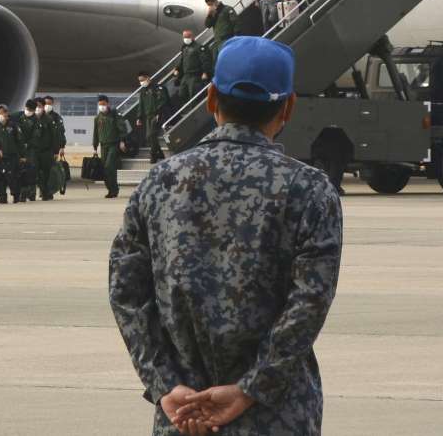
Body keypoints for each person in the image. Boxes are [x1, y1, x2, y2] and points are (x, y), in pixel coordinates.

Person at [110, 37, 343, 435]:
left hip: (184, 414)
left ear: (211, 98)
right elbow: (309, 304)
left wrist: (165, 385)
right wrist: (250, 389)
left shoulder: (159, 181)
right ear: (287, 106)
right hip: (276, 415)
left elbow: (127, 293)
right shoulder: (310, 190)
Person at [92, 95, 123, 198]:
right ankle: (110, 190)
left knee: (109, 166)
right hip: (103, 146)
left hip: (113, 145)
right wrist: (95, 147)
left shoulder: (114, 114)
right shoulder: (97, 118)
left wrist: (122, 141)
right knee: (105, 169)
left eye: (103, 104)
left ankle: (114, 189)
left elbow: (121, 128)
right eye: (100, 105)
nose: (102, 106)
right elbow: (95, 133)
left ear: (108, 104)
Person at [0, 103, 24, 204]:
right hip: (0, 156)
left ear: (6, 113)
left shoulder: (13, 125)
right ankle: (2, 197)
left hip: (12, 155)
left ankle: (16, 195)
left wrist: (22, 156)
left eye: (1, 113)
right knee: (0, 177)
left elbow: (20, 141)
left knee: (12, 177)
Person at [136, 70, 168, 164]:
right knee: (148, 136)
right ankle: (160, 153)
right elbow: (141, 105)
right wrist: (139, 117)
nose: (141, 82)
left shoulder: (157, 88)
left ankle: (153, 155)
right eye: (139, 80)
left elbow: (163, 100)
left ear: (148, 78)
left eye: (142, 79)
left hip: (157, 115)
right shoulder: (143, 90)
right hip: (148, 116)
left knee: (151, 135)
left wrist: (158, 112)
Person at [17, 99, 46, 202]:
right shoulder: (20, 117)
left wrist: (27, 144)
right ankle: (22, 193)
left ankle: (31, 193)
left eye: (30, 109)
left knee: (31, 171)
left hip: (31, 149)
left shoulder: (37, 121)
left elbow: (36, 136)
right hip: (20, 149)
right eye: (27, 108)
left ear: (34, 110)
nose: (27, 111)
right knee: (21, 171)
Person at [28, 97, 56, 201]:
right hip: (33, 151)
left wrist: (55, 150)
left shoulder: (49, 119)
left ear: (43, 107)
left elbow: (54, 136)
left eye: (39, 106)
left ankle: (45, 193)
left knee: (45, 173)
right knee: (32, 172)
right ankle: (31, 193)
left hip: (46, 151)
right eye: (35, 106)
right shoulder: (29, 119)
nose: (37, 108)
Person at [173, 29, 212, 103]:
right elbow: (182, 60)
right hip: (186, 75)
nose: (186, 38)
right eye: (184, 37)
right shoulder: (184, 47)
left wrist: (205, 72)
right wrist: (177, 69)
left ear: (192, 37)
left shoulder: (199, 47)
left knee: (194, 94)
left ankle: (192, 110)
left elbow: (205, 61)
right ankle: (186, 110)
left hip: (195, 75)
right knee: (182, 93)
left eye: (187, 36)